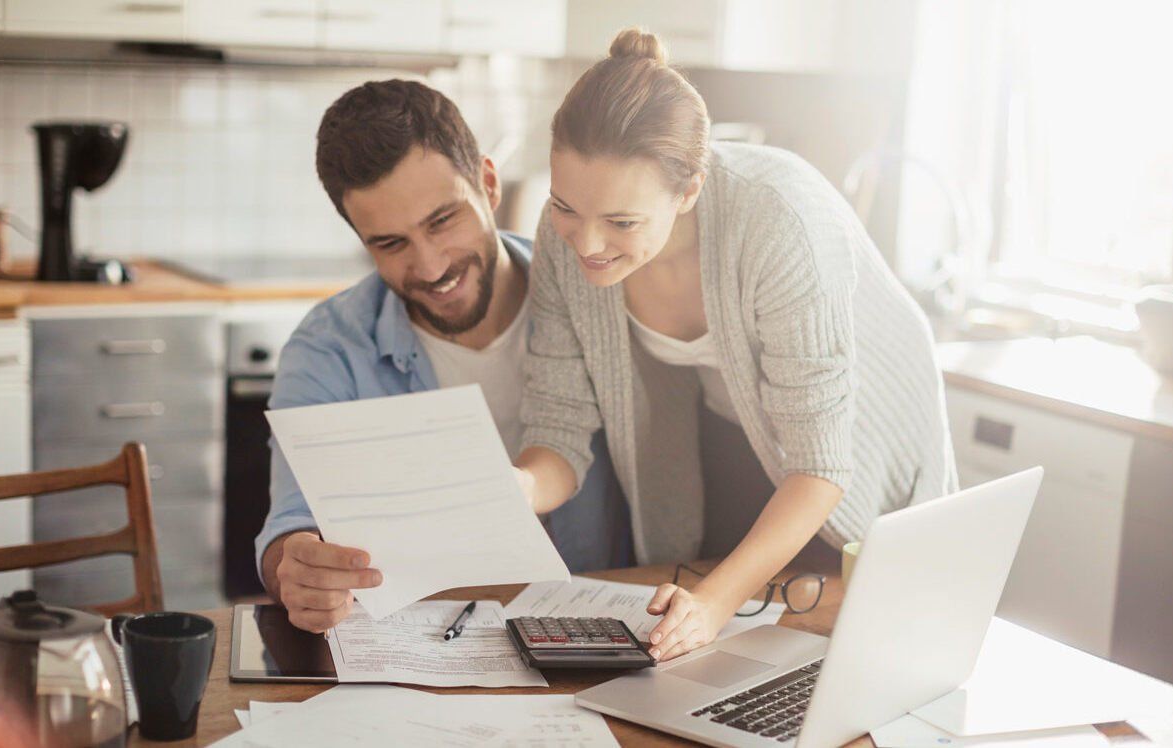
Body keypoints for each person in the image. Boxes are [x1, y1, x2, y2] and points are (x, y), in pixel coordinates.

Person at [513, 29, 957, 662]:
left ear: (689, 189)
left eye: (622, 222)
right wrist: (517, 488)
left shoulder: (781, 222)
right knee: (724, 637)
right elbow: (557, 427)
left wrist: (715, 604)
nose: (585, 244)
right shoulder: (565, 239)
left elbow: (820, 465)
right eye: (565, 208)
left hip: (860, 431)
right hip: (733, 415)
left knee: (851, 627)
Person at [257, 79, 631, 633]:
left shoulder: (593, 295)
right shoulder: (328, 348)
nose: (431, 267)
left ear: (488, 181)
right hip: (423, 642)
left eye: (442, 221)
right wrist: (299, 569)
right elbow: (290, 526)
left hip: (601, 628)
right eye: (390, 243)